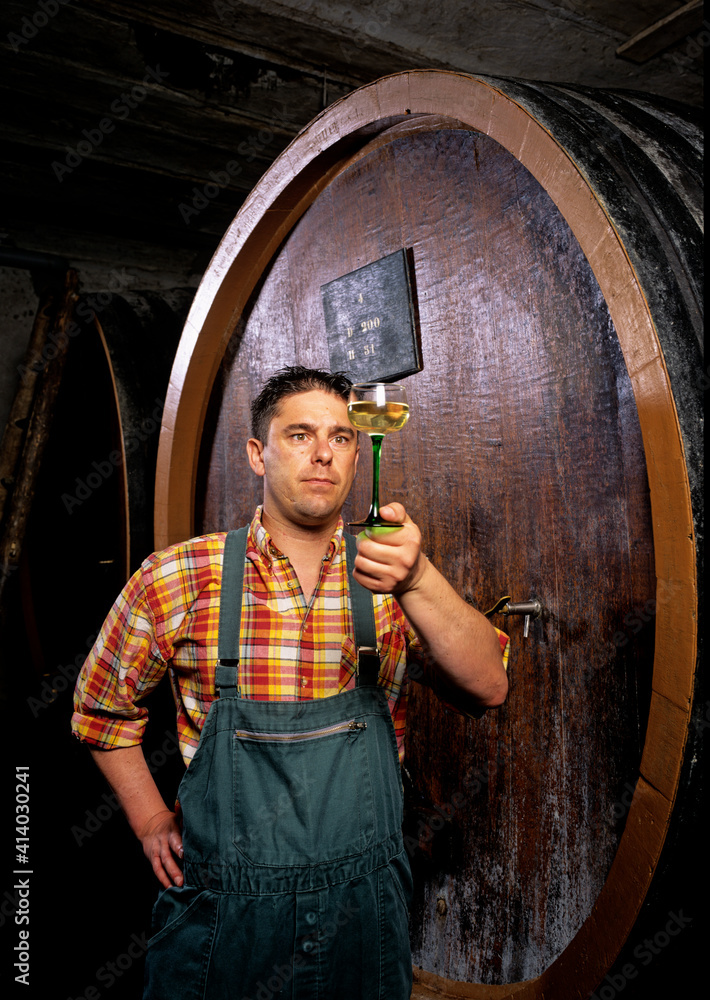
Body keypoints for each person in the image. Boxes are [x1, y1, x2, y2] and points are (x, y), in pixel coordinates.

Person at [72, 366, 509, 1000]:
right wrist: (147, 820)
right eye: (300, 434)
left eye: (340, 436)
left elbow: (489, 686)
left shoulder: (395, 576)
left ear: (359, 454)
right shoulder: (176, 576)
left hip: (363, 913)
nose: (323, 452)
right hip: (226, 916)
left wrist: (418, 581)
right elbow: (100, 709)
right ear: (258, 453)